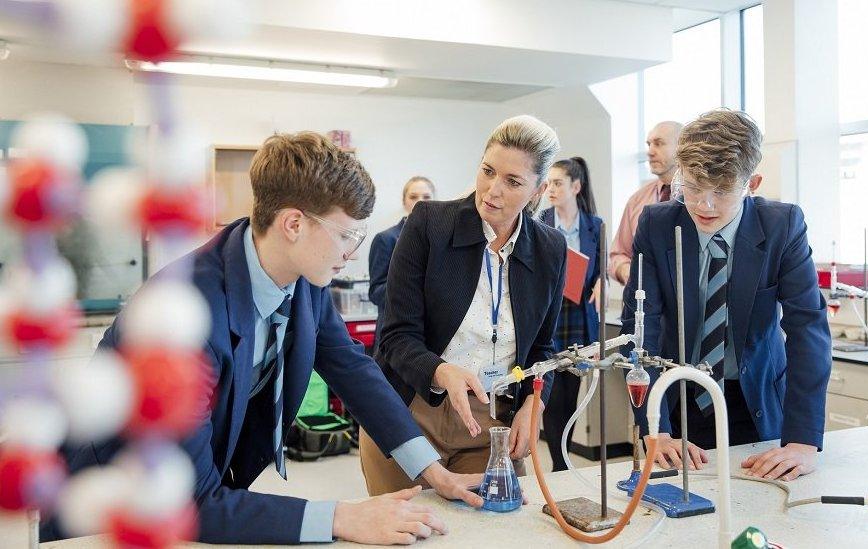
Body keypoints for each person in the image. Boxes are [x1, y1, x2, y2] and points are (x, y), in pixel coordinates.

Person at [45, 132, 483, 545]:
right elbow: (190, 503)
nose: (351, 252)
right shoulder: (185, 320)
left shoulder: (301, 275)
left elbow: (351, 367)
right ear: (293, 223)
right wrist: (341, 517)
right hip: (107, 506)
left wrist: (432, 471)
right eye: (347, 234)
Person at [360, 115, 567, 495]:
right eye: (487, 171)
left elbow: (543, 350)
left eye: (513, 182)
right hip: (412, 413)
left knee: (495, 528)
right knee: (414, 531)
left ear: (537, 191)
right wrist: (442, 371)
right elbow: (396, 336)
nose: (492, 190)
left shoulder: (549, 249)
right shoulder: (429, 224)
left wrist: (533, 404)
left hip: (493, 420)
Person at [622, 110, 831, 482]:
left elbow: (808, 330)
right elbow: (641, 328)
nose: (705, 205)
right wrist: (655, 427)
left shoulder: (782, 226)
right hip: (677, 399)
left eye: (722, 191)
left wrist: (802, 442)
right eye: (694, 186)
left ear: (753, 182)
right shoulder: (656, 225)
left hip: (757, 403)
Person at [537, 157, 603, 472]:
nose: (550, 189)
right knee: (551, 390)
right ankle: (559, 465)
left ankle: (562, 462)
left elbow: (602, 267)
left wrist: (604, 280)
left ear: (575, 187)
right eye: (548, 183)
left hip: (578, 314)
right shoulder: (539, 221)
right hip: (548, 313)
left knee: (571, 390)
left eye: (558, 183)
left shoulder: (595, 225)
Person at [609, 120, 682, 285]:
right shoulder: (637, 201)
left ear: (681, 147)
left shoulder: (699, 201)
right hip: (641, 302)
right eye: (649, 144)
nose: (649, 152)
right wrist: (626, 271)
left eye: (658, 143)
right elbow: (618, 254)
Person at [368, 176, 435, 344]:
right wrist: (413, 286)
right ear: (404, 201)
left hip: (430, 335)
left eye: (426, 197)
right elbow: (376, 293)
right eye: (413, 197)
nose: (420, 202)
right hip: (393, 333)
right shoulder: (385, 239)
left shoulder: (440, 242)